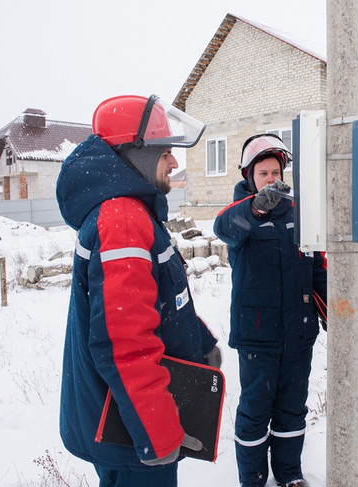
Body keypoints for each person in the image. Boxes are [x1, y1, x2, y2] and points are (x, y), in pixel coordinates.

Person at [56, 94, 221, 487]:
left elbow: (155, 303)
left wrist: (200, 341)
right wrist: (157, 434)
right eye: (165, 152)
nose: (174, 162)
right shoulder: (124, 220)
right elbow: (124, 341)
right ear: (136, 153)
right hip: (132, 436)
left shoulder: (130, 212)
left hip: (126, 422)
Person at [213, 134, 327, 487]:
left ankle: (290, 474)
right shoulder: (240, 215)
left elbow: (316, 269)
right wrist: (257, 206)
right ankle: (253, 479)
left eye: (275, 171)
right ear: (249, 176)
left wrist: (331, 310)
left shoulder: (299, 214)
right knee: (255, 411)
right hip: (258, 336)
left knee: (292, 408)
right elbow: (224, 229)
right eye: (263, 173)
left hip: (298, 333)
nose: (271, 179)